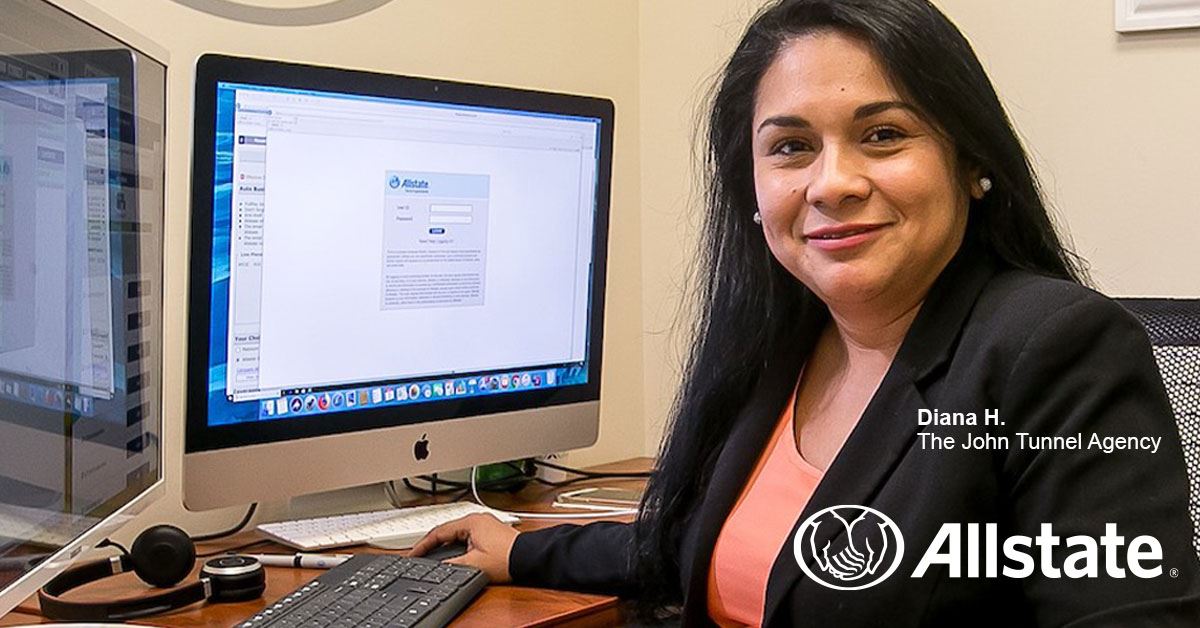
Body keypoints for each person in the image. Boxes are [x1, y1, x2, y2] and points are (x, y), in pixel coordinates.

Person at [411, 0, 1200, 625]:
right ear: (753, 190)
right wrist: (521, 552)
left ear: (971, 163)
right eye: (791, 147)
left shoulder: (1057, 349)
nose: (832, 183)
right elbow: (717, 543)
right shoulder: (783, 341)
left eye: (882, 134)